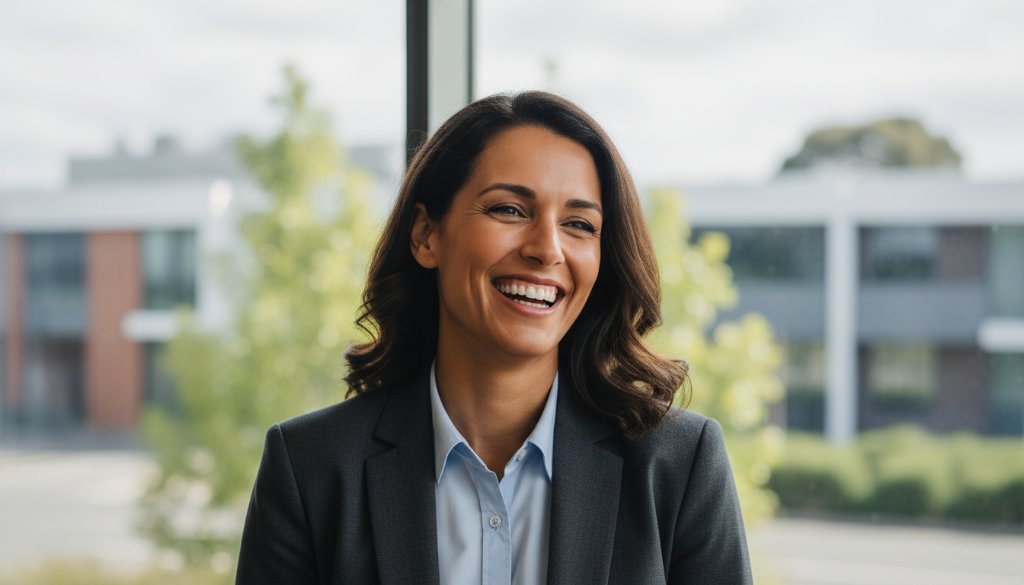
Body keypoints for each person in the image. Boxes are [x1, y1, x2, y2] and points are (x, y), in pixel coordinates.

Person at [236, 91, 752, 585]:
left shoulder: (680, 466)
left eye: (578, 224)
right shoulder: (310, 467)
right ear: (426, 235)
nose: (547, 249)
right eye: (509, 210)